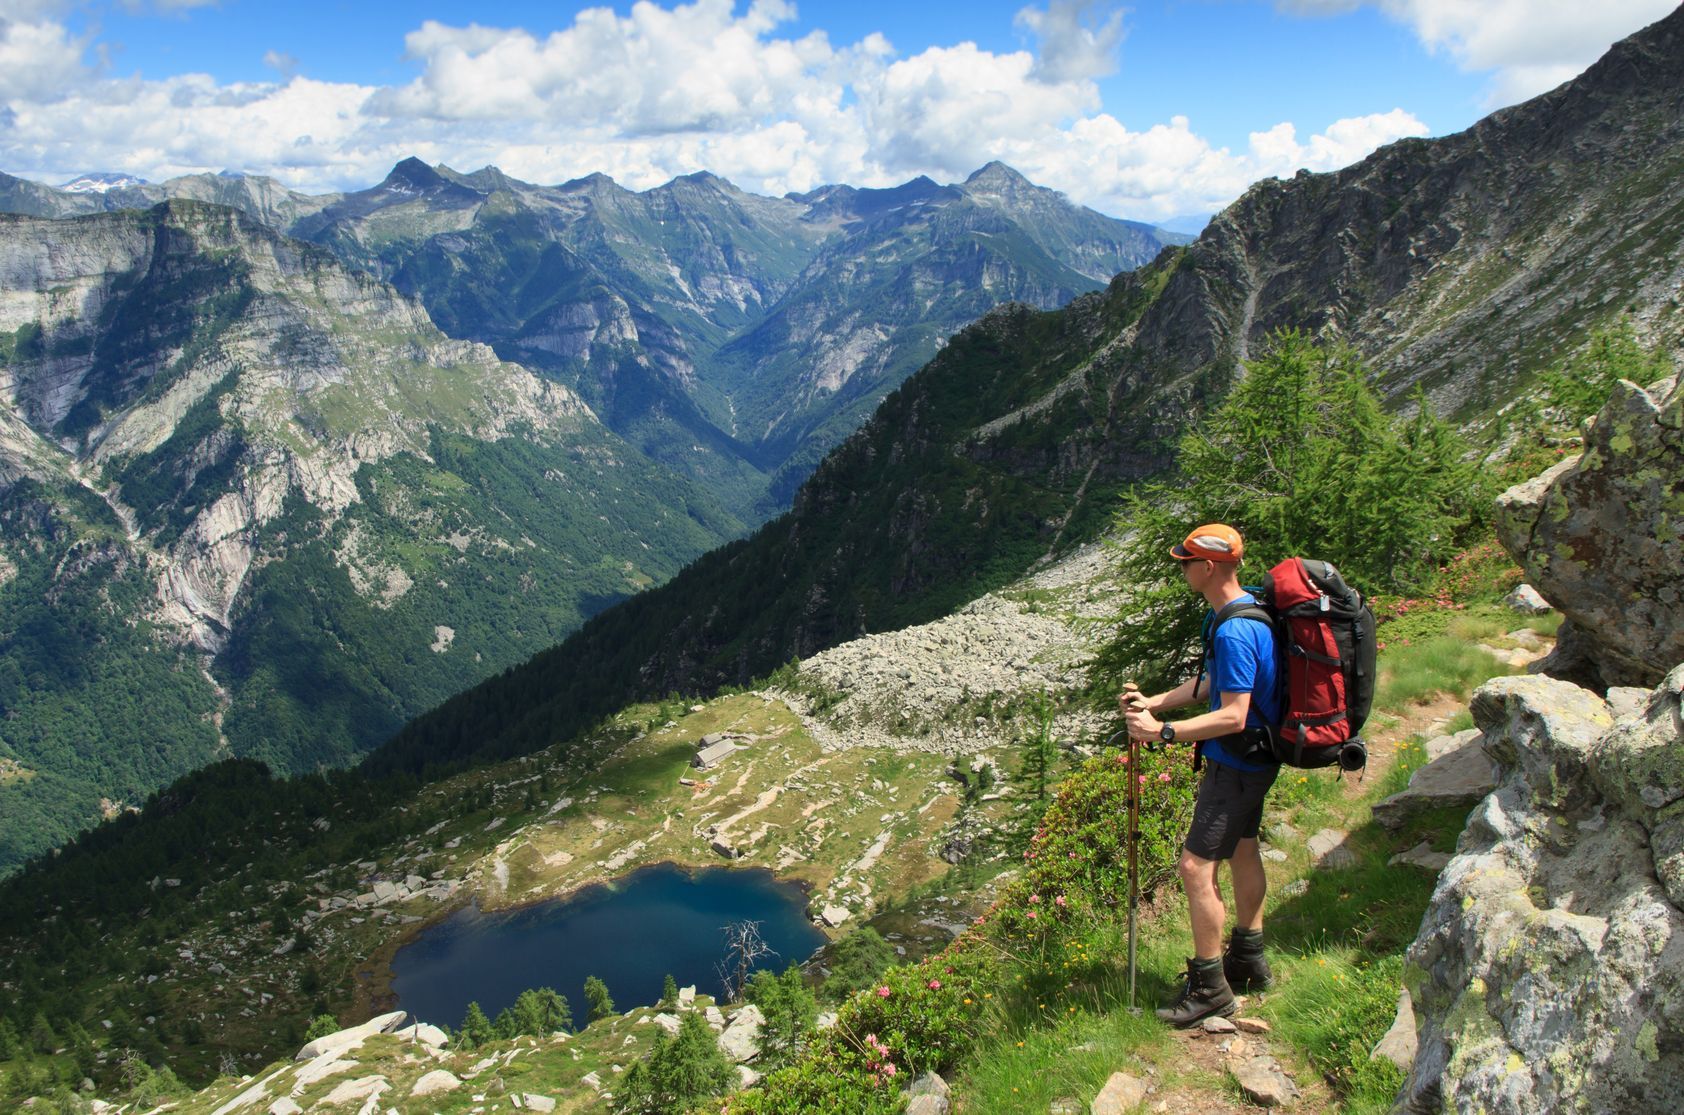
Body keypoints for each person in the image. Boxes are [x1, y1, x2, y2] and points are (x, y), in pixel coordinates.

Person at [1120, 522, 1280, 1027]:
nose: (1182, 570)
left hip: (1234, 763)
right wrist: (1156, 701)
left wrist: (1161, 731)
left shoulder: (1232, 628)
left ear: (1207, 567)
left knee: (1195, 868)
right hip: (1259, 758)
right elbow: (1214, 680)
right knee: (1244, 847)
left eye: (1185, 562)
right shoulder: (1247, 610)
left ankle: (1211, 987)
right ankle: (1248, 959)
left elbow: (1233, 712)